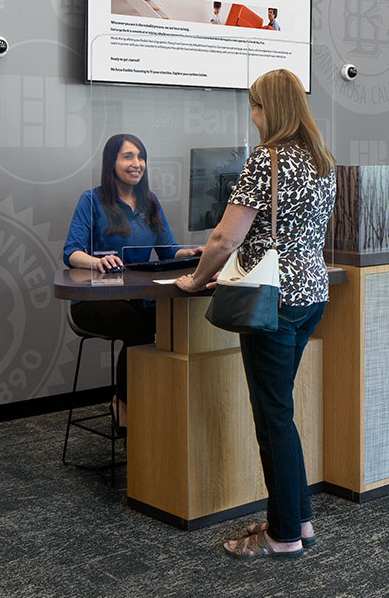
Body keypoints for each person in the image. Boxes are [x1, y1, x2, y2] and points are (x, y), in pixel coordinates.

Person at [174, 69, 335, 558]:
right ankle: (297, 519)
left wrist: (197, 278)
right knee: (280, 413)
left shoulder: (266, 159)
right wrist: (212, 252)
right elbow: (281, 230)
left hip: (274, 300)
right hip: (311, 294)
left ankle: (282, 536)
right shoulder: (320, 158)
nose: (253, 114)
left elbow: (227, 237)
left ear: (272, 110)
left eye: (256, 106)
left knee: (274, 417)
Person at [64, 133, 200, 424]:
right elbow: (71, 253)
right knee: (138, 331)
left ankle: (158, 404)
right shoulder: (91, 201)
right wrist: (97, 261)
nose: (137, 163)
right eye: (128, 156)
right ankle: (124, 404)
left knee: (169, 325)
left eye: (141, 157)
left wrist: (190, 251)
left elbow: (167, 249)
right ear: (111, 163)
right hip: (96, 299)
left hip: (139, 297)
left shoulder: (149, 202)